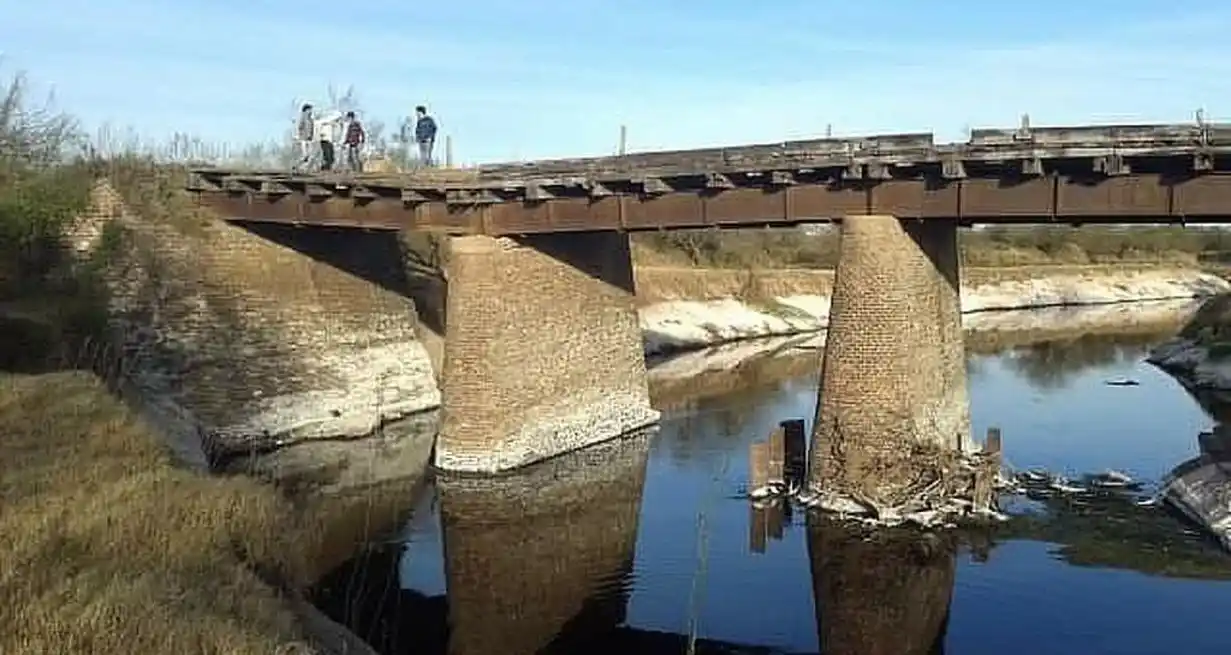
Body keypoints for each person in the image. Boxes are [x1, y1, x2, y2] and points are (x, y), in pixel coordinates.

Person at [294, 104, 315, 172]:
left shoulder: (311, 120)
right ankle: (296, 166)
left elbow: (312, 130)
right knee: (305, 156)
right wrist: (299, 136)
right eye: (309, 110)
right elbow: (300, 127)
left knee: (311, 155)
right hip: (303, 139)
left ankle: (305, 169)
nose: (311, 111)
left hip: (310, 139)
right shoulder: (302, 118)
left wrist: (311, 137)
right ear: (306, 110)